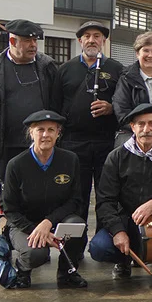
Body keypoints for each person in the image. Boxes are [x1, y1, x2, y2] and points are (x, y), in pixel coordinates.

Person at [89, 103, 152, 286]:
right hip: (127, 222)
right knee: (99, 247)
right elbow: (105, 201)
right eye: (141, 124)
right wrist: (118, 231)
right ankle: (123, 260)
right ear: (132, 127)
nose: (146, 129)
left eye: (151, 123)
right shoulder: (116, 157)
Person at [0, 110, 88, 289]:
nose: (46, 135)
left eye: (51, 130)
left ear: (58, 133)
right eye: (40, 130)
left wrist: (48, 222)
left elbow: (75, 200)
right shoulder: (16, 165)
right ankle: (23, 270)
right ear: (31, 133)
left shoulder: (70, 160)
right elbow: (9, 208)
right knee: (36, 253)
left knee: (77, 227)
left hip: (56, 220)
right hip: (24, 224)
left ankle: (67, 273)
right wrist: (35, 229)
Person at [0, 19, 59, 186]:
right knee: (8, 193)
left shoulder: (47, 67)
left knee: (39, 190)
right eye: (27, 40)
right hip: (4, 146)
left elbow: (57, 103)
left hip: (40, 144)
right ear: (12, 41)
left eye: (35, 40)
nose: (33, 45)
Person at [53, 20, 124, 227]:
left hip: (106, 143)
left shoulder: (117, 69)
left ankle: (104, 239)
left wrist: (111, 108)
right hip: (73, 143)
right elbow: (55, 105)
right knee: (76, 196)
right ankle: (75, 242)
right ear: (80, 41)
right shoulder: (65, 69)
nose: (92, 40)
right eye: (87, 36)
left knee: (106, 195)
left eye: (97, 36)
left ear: (104, 41)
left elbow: (125, 104)